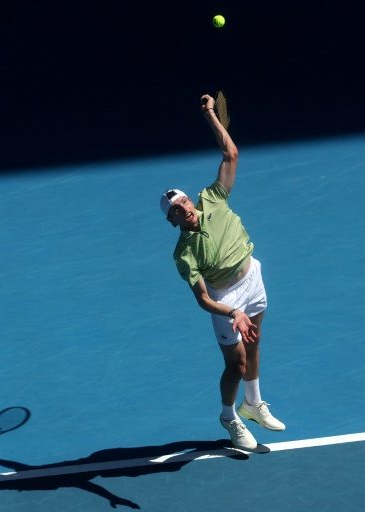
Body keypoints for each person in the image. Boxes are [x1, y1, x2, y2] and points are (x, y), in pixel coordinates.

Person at [159, 93, 285, 451]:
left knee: (255, 342)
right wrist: (234, 311)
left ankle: (254, 403)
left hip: (251, 277)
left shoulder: (212, 197)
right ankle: (230, 416)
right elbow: (202, 300)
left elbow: (230, 154)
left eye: (183, 201)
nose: (183, 208)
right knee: (236, 364)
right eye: (175, 210)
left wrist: (211, 115)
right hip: (224, 299)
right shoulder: (184, 253)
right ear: (172, 222)